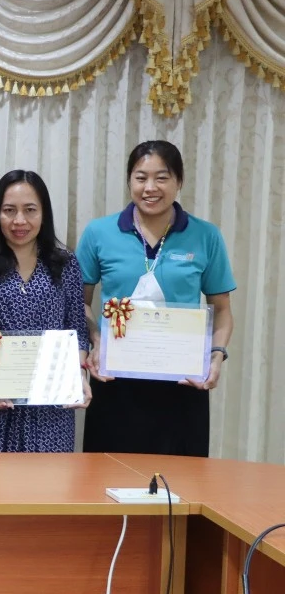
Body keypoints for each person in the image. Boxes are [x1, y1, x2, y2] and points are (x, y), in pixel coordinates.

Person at [78, 140, 235, 456]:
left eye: (161, 177)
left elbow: (222, 309)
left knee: (179, 489)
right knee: (105, 483)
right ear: (129, 181)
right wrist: (96, 341)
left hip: (182, 383)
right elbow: (77, 302)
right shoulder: (99, 233)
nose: (150, 187)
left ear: (179, 182)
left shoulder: (206, 235)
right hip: (115, 381)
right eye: (140, 177)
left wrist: (216, 355)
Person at [0, 170, 91, 453]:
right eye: (9, 210)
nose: (19, 221)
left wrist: (78, 376)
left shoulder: (66, 264)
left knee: (48, 489)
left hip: (50, 403)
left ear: (43, 214)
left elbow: (78, 332)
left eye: (30, 210)